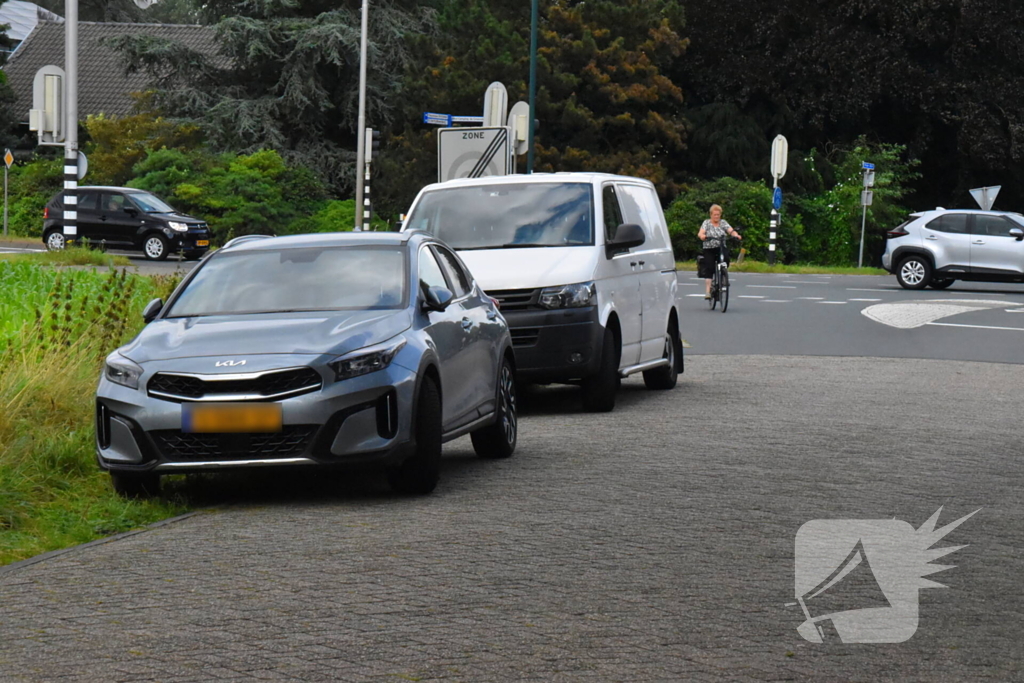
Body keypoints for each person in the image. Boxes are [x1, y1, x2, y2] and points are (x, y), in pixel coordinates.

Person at [698, 204, 742, 299]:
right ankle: (708, 291)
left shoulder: (723, 223)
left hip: (720, 247)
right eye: (715, 215)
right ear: (711, 215)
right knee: (709, 267)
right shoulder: (706, 223)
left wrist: (736, 235)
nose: (716, 216)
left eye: (718, 214)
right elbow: (701, 232)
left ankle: (723, 277)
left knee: (726, 259)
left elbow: (731, 230)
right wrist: (703, 236)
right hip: (709, 248)